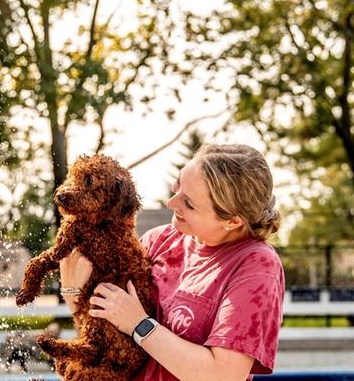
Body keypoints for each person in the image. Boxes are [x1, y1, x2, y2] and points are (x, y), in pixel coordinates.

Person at [59, 144, 284, 381]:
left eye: (189, 203)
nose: (171, 203)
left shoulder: (256, 265)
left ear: (233, 221)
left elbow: (224, 374)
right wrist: (74, 295)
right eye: (177, 187)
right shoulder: (159, 241)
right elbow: (104, 336)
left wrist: (139, 324)